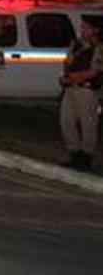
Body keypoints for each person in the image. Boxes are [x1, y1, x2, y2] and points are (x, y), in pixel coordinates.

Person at [59, 18, 103, 172]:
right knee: (66, 122)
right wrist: (65, 77)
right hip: (71, 89)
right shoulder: (76, 44)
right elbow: (67, 62)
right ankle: (74, 154)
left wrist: (73, 77)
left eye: (85, 27)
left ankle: (86, 159)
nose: (82, 30)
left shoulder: (99, 47)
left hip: (87, 91)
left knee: (88, 125)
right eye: (82, 27)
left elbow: (95, 71)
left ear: (95, 30)